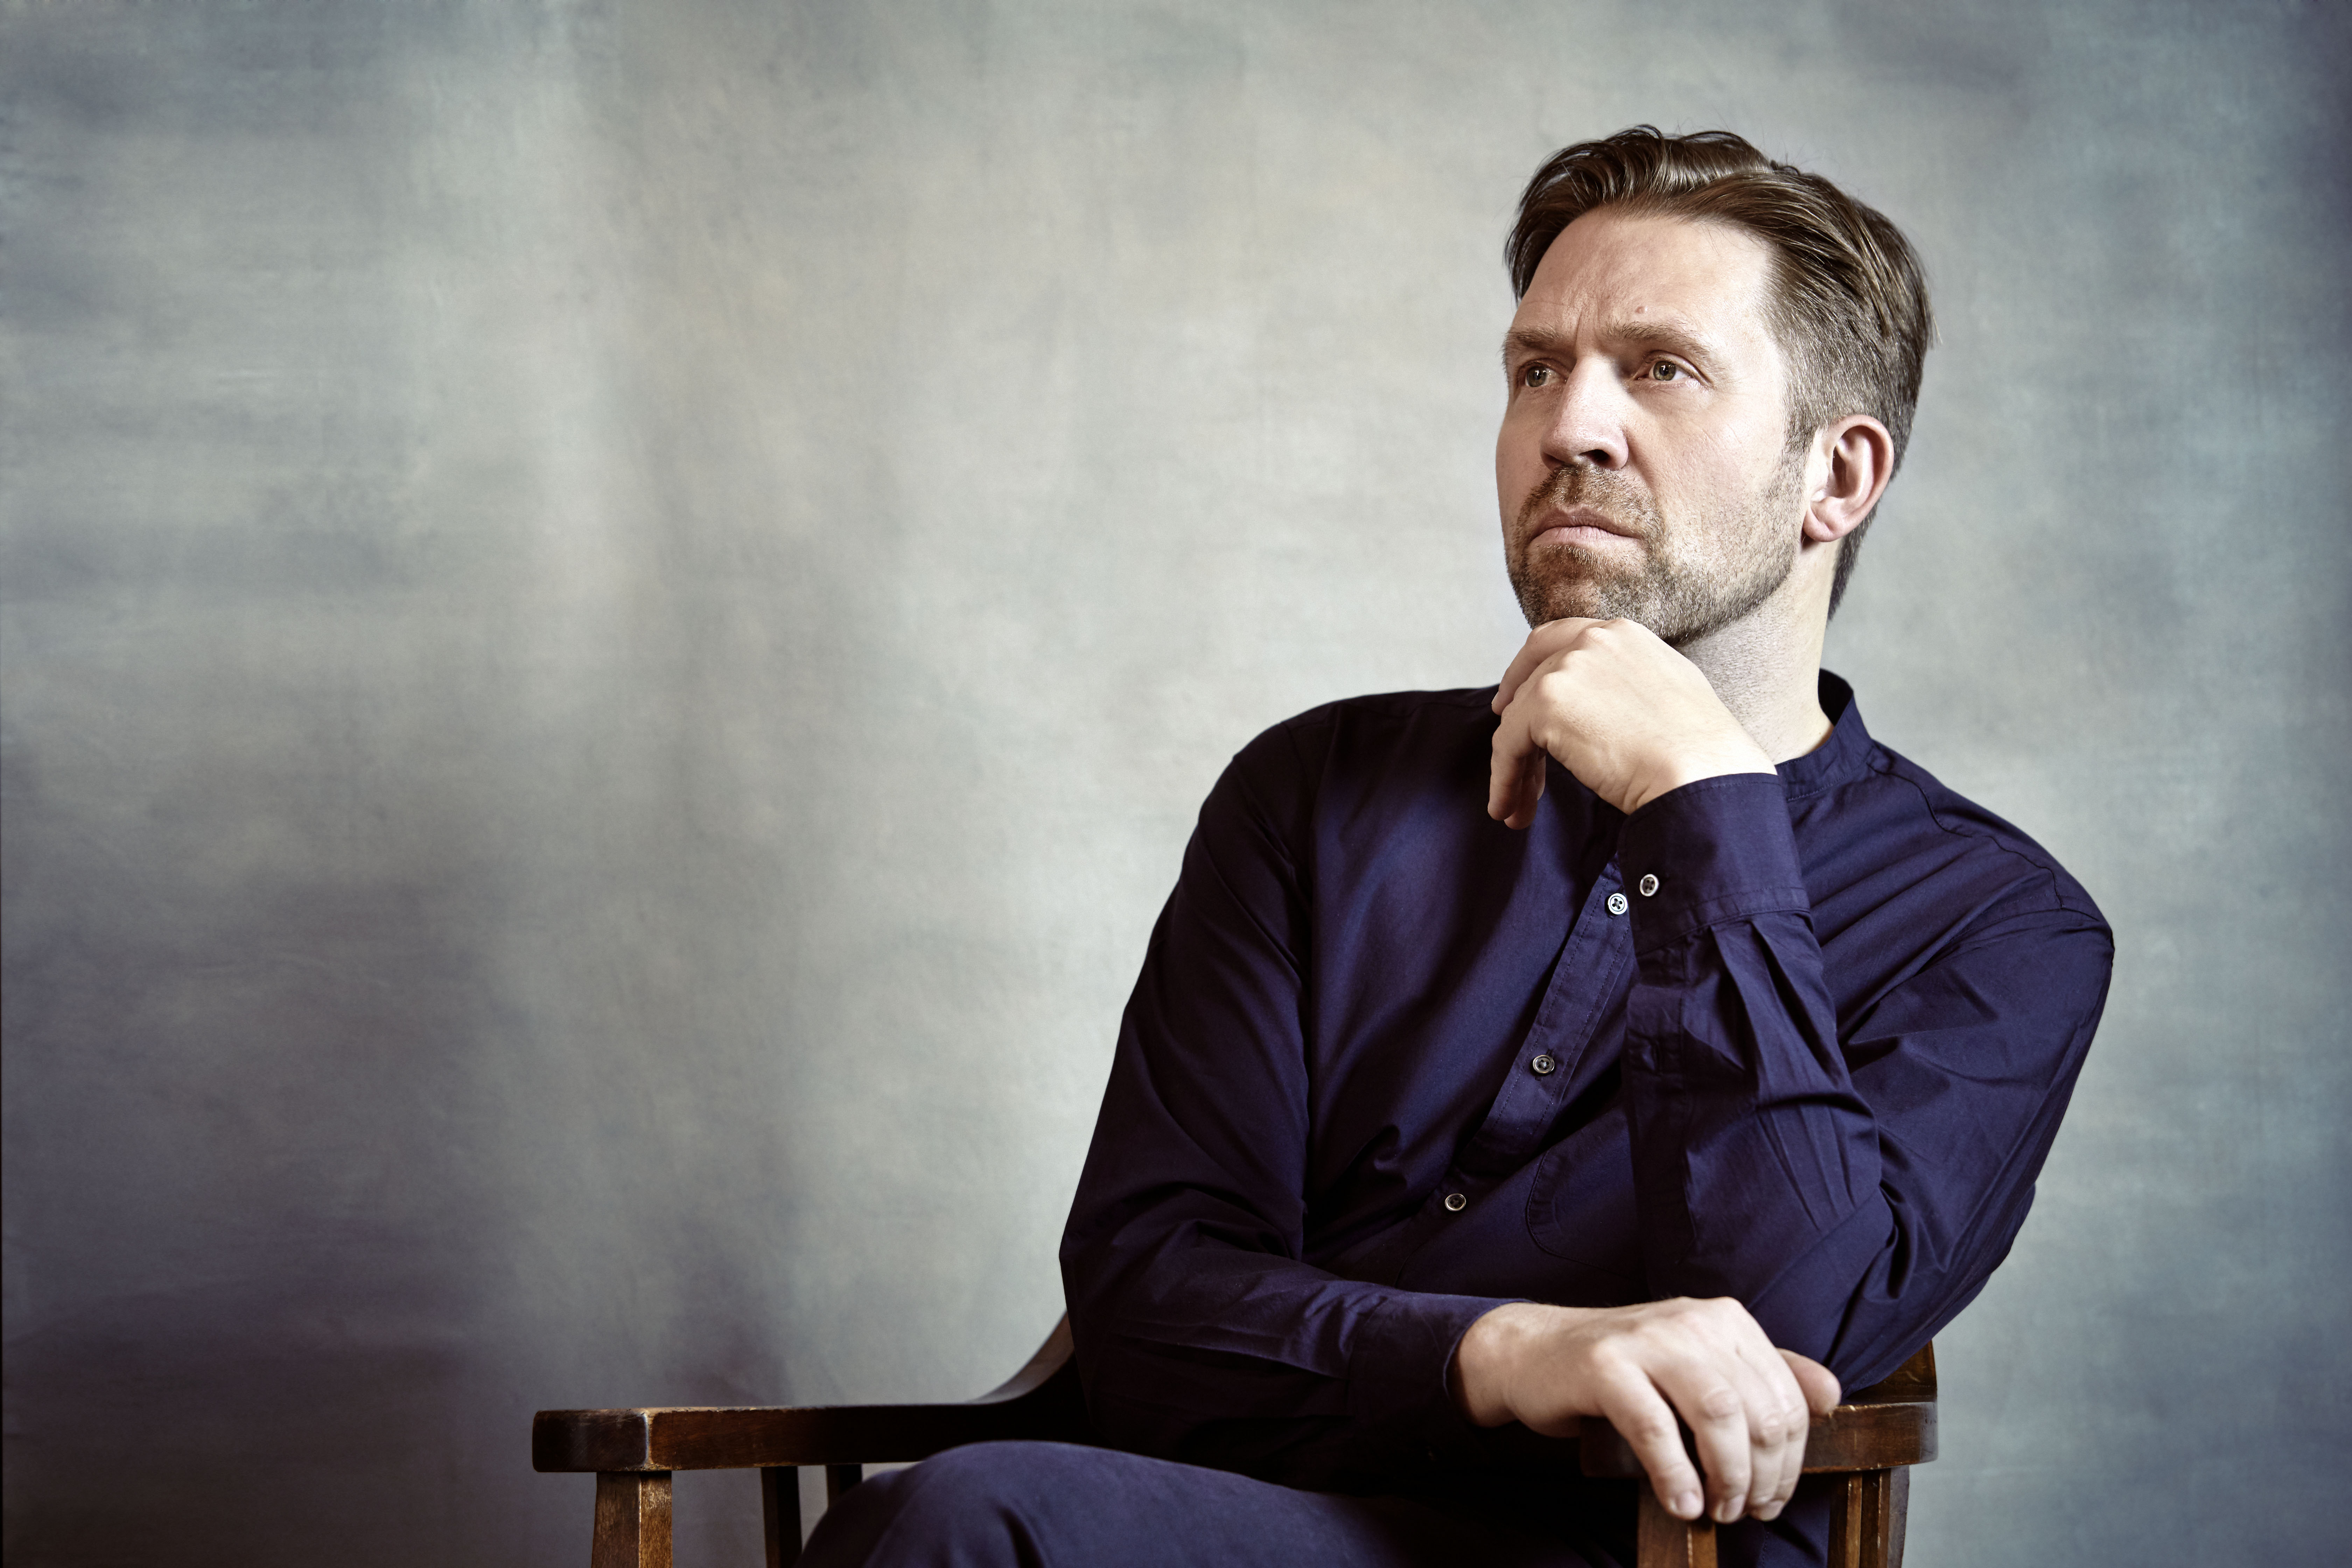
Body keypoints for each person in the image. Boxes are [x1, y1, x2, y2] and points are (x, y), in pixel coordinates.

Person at [803, 126, 2112, 1568]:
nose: (1570, 428)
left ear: (1838, 477)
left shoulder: (2004, 927)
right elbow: (1149, 1300)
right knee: (950, 1520)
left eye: (1660, 369)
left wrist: (1701, 805)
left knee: (966, 1523)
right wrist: (1503, 1351)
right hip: (1232, 1519)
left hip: (1633, 1556)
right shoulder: (1316, 793)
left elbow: (1794, 1326)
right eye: (1536, 370)